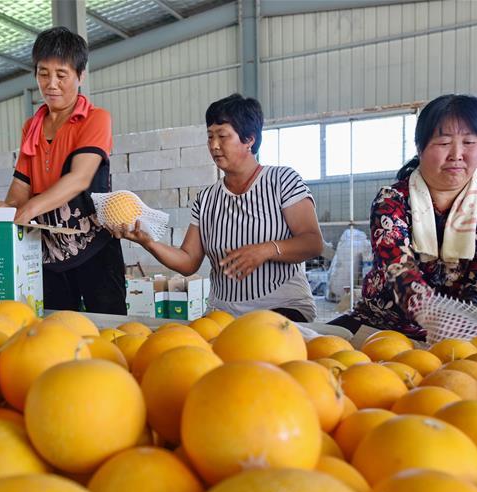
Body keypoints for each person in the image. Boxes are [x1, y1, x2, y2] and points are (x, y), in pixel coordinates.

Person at [112, 94, 324, 322]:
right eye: (210, 137)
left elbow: (312, 242)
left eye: (223, 136)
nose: (214, 145)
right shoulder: (207, 199)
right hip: (223, 313)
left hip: (283, 308)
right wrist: (149, 242)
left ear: (249, 139)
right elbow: (188, 261)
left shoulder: (282, 180)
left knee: (256, 345)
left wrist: (265, 250)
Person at [330, 94, 477, 340]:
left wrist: (467, 323)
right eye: (443, 143)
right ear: (420, 148)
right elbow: (398, 270)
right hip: (384, 325)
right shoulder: (392, 201)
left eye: (469, 142)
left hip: (469, 327)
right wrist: (436, 317)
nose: (456, 154)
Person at [0, 26, 126, 314]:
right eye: (43, 74)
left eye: (61, 74)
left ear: (80, 76)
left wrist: (28, 210)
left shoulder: (95, 119)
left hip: (95, 249)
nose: (51, 84)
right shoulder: (32, 127)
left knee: (108, 330)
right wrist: (4, 209)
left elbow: (80, 177)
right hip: (48, 251)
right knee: (54, 328)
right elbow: (20, 186)